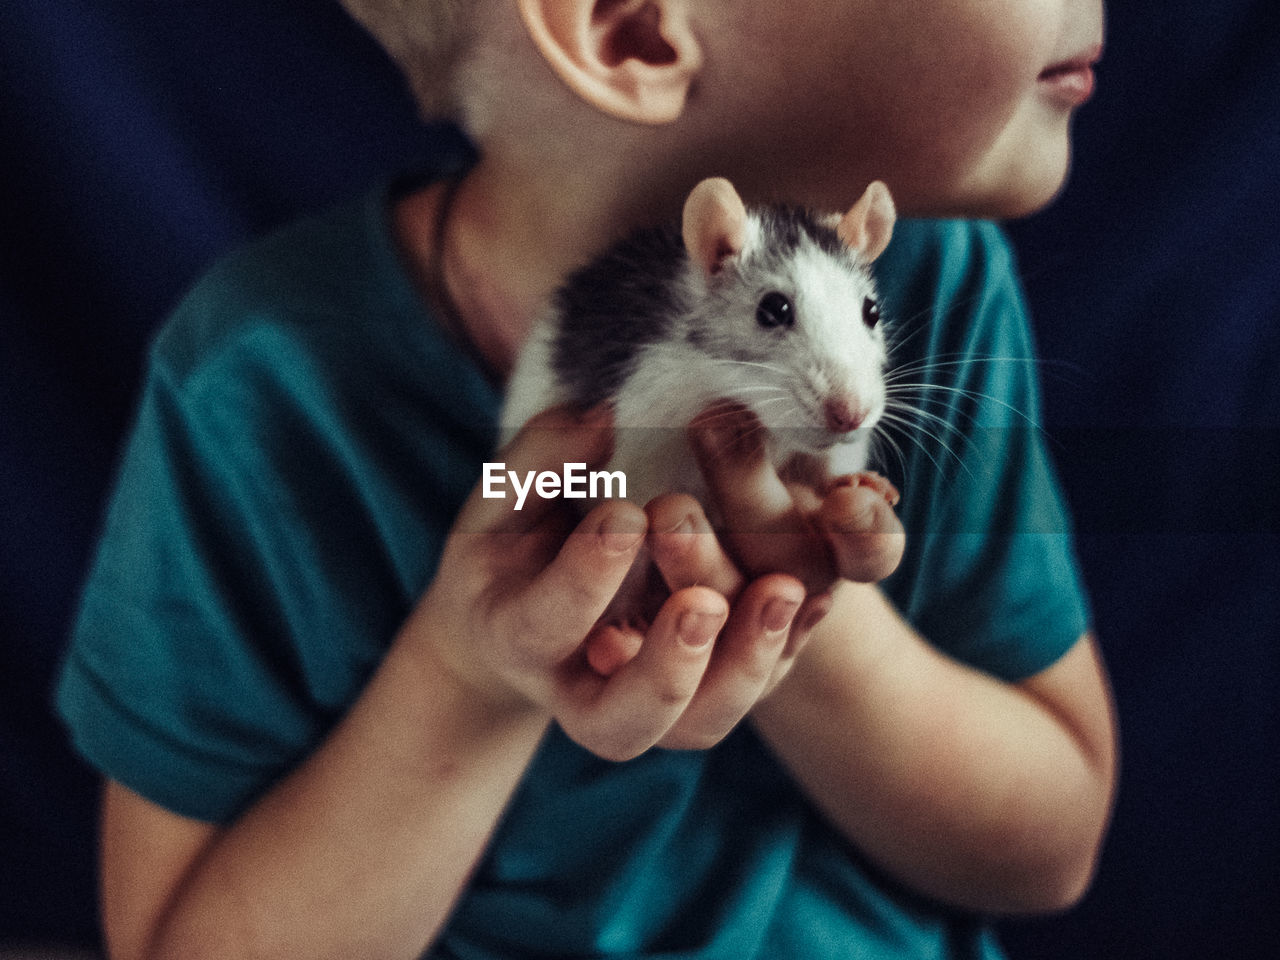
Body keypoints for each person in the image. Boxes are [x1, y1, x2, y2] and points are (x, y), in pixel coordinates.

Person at [56, 1, 1118, 958]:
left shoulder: (930, 280)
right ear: (633, 32)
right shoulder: (258, 384)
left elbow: (1049, 849)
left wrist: (800, 599)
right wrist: (473, 667)